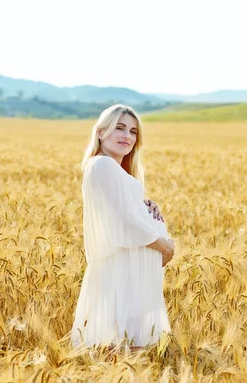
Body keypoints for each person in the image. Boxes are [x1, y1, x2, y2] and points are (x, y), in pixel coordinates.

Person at [70, 104, 175, 351]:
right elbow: (125, 223)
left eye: (133, 131)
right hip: (122, 272)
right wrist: (166, 248)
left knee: (126, 352)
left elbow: (124, 212)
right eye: (119, 128)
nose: (127, 136)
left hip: (130, 272)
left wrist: (146, 206)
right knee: (122, 351)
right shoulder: (103, 165)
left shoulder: (115, 171)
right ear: (100, 132)